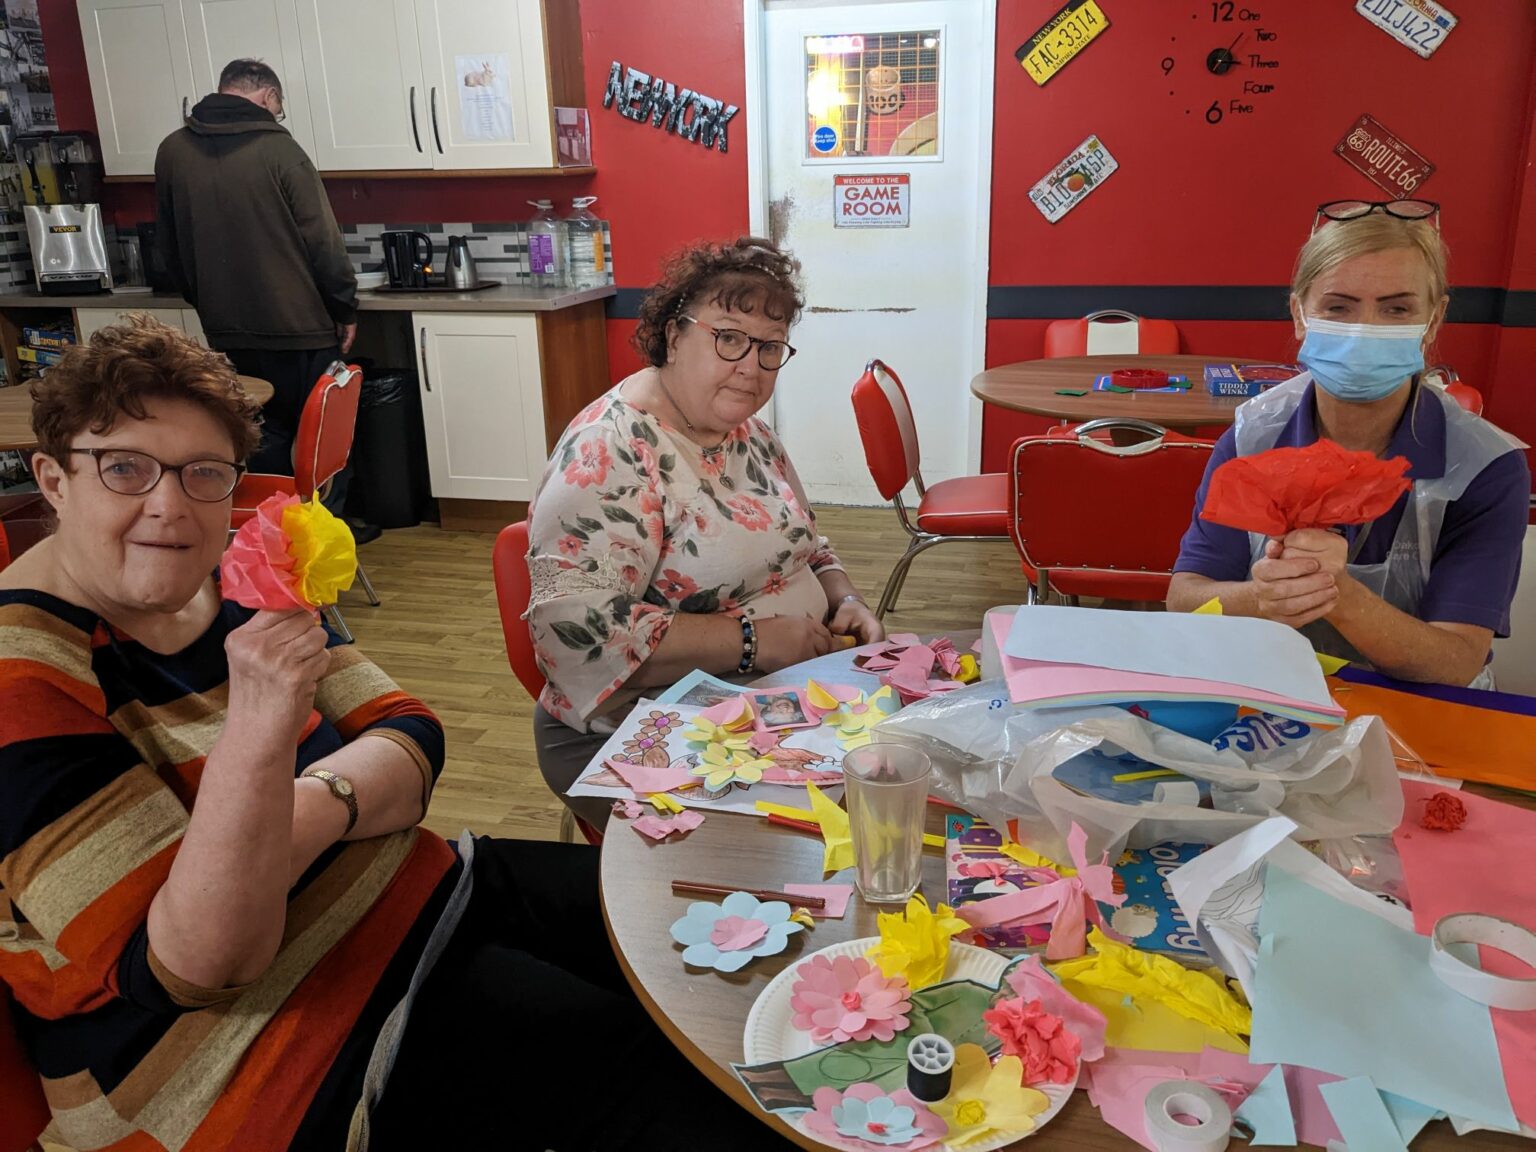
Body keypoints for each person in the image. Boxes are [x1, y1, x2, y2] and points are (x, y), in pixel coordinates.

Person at [0, 316, 794, 1152]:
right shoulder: (26, 684)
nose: (167, 506)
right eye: (124, 468)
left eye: (203, 473)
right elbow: (202, 963)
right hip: (262, 1060)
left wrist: (286, 824)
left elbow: (411, 734)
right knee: (708, 1098)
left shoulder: (229, 579)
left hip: (420, 895)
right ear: (54, 479)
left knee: (725, 939)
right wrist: (265, 726)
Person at [528, 237, 885, 827]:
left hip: (771, 698)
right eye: (729, 338)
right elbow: (577, 639)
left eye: (770, 347)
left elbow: (808, 546)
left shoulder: (749, 433)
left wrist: (845, 599)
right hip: (636, 729)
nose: (751, 366)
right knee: (812, 846)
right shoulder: (610, 451)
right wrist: (753, 641)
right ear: (674, 336)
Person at [1168, 201, 1529, 687]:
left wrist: (1336, 594)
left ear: (1433, 320)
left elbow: (1456, 663)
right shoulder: (1254, 437)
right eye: (1338, 307)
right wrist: (1260, 598)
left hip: (1421, 709)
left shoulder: (1482, 467)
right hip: (1274, 692)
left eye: (1397, 308)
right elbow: (1185, 599)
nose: (1364, 330)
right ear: (1300, 314)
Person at [154, 58, 363, 521]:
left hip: (226, 333)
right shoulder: (281, 150)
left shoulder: (172, 151)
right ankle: (322, 541)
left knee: (257, 439)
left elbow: (167, 245)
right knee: (322, 443)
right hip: (301, 330)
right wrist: (344, 308)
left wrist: (206, 302)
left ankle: (270, 540)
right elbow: (323, 243)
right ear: (268, 97)